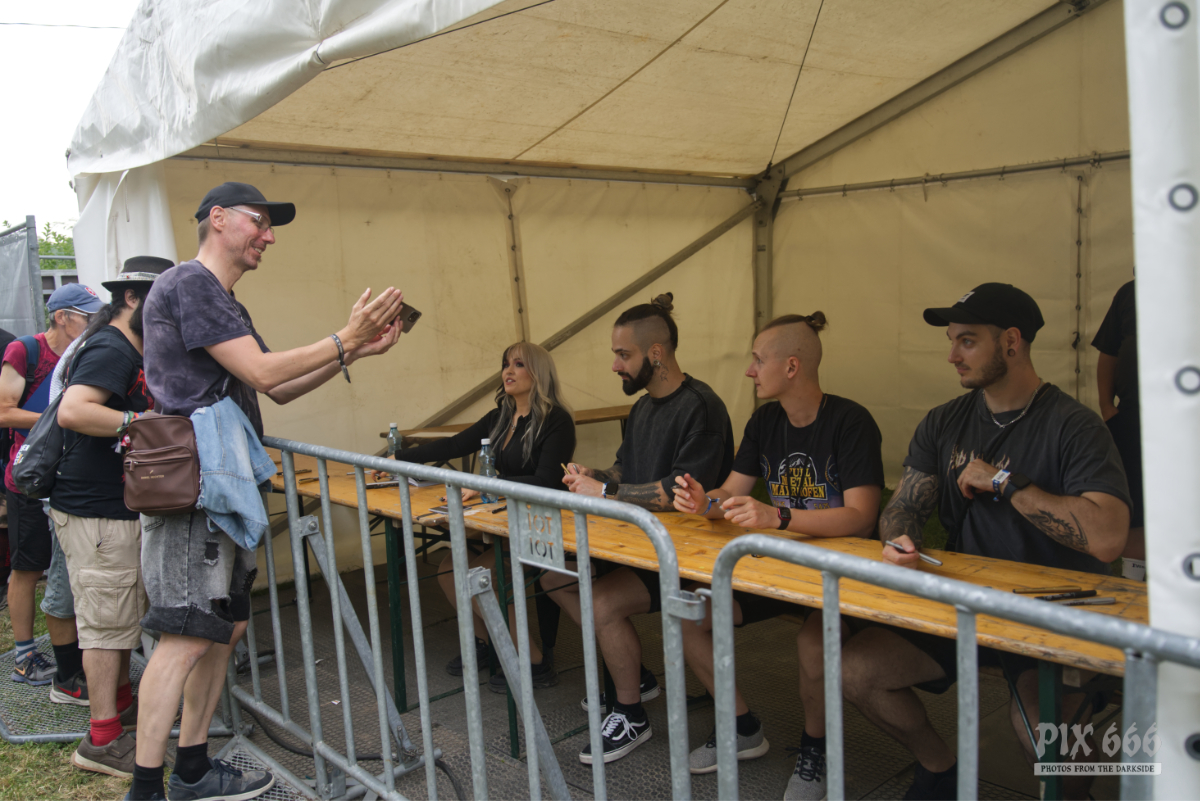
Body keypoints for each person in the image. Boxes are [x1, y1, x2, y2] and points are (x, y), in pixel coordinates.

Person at [129, 182, 407, 801]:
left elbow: (275, 387)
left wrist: (355, 352)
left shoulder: (221, 298)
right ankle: (145, 790)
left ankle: (192, 769)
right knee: (183, 635)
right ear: (218, 218)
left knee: (222, 629)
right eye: (259, 222)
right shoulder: (189, 282)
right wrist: (344, 337)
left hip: (220, 488)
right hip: (195, 489)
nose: (270, 237)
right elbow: (262, 371)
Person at [841, 283, 1129, 801]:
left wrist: (1004, 482)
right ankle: (940, 769)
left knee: (1046, 739)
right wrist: (900, 540)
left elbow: (1108, 538)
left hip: (1047, 614)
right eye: (952, 341)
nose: (952, 355)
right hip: (962, 605)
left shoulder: (1074, 426)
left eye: (967, 341)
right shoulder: (944, 420)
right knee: (856, 670)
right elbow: (905, 505)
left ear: (1012, 342)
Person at [671, 312, 884, 795]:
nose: (750, 371)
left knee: (813, 642)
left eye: (757, 360)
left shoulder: (851, 421)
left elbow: (861, 517)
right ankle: (741, 727)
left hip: (840, 572)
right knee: (687, 615)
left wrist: (778, 516)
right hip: (779, 570)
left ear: (791, 367)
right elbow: (731, 493)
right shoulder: (765, 421)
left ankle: (817, 750)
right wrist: (705, 503)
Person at [543, 292, 735, 765]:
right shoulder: (644, 408)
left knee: (601, 603)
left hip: (689, 556)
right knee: (552, 577)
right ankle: (635, 679)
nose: (615, 365)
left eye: (622, 354)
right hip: (642, 547)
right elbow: (624, 472)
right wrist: (592, 475)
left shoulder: (702, 407)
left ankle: (630, 710)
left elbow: (678, 492)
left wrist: (605, 492)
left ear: (656, 353)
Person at [382, 341, 575, 692]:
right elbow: (454, 445)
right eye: (505, 364)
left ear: (539, 373)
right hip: (499, 516)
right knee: (447, 571)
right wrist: (400, 459)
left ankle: (533, 662)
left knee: (479, 576)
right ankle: (488, 643)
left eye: (518, 364)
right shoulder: (500, 416)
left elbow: (547, 481)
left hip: (540, 522)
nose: (508, 371)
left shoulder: (556, 420)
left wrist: (489, 485)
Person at [51, 257, 171, 778]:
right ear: (130, 299)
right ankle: (101, 740)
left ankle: (121, 711)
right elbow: (74, 410)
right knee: (104, 624)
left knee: (120, 618)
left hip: (114, 508)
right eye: (160, 300)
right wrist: (142, 420)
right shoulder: (111, 347)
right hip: (94, 509)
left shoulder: (132, 346)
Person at [0, 284, 103, 690]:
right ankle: (24, 656)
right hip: (29, 479)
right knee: (28, 567)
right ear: (62, 317)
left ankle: (73, 650)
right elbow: (4, 411)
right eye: (87, 316)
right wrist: (64, 416)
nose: (93, 323)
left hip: (67, 480)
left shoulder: (84, 353)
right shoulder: (25, 350)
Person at [1092, 278, 1145, 581]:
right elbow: (1109, 351)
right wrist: (1106, 405)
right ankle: (1134, 576)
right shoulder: (1130, 292)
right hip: (1132, 416)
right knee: (1134, 495)